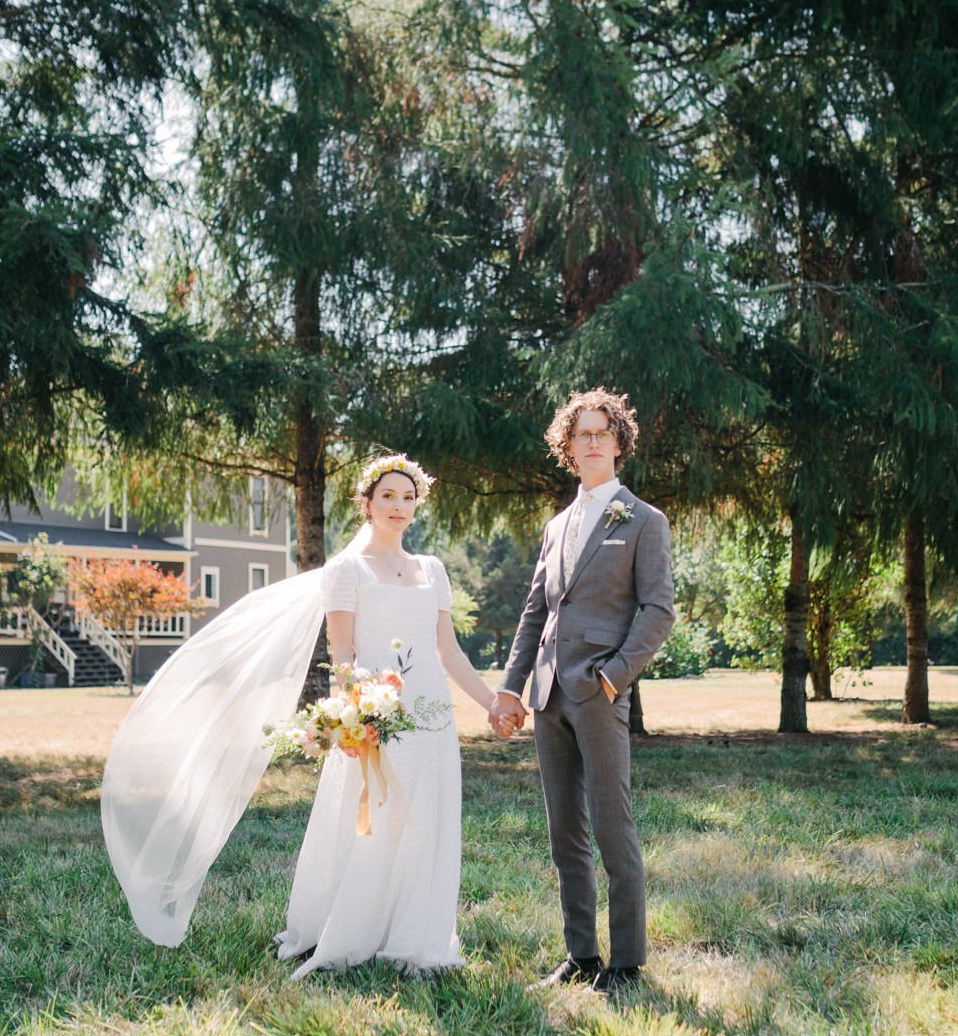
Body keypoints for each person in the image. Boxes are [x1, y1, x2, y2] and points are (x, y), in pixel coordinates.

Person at [102, 454, 509, 978]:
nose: (399, 506)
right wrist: (359, 716)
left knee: (424, 820)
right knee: (376, 822)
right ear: (367, 503)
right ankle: (352, 927)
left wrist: (492, 700)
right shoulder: (347, 571)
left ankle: (412, 934)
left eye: (408, 498)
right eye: (388, 496)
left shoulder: (432, 569)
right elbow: (343, 655)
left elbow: (448, 652)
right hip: (378, 716)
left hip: (430, 717)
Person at [489, 389, 675, 994]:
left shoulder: (644, 520)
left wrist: (613, 674)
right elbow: (535, 610)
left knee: (612, 825)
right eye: (581, 435)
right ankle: (581, 955)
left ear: (618, 443)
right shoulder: (557, 525)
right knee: (564, 829)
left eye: (602, 433)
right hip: (546, 695)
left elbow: (658, 611)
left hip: (598, 692)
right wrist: (510, 688)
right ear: (567, 448)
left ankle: (626, 963)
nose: (592, 442)